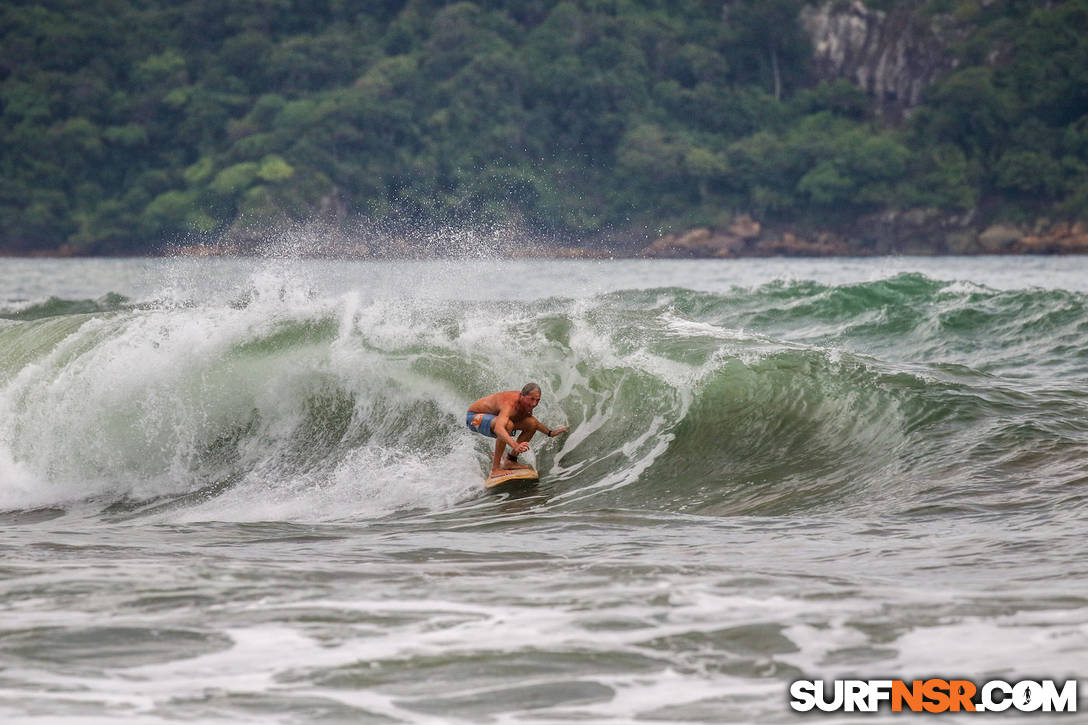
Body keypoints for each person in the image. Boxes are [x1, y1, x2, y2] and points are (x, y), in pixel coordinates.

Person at [466, 382, 569, 478]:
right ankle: (495, 469)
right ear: (522, 396)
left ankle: (510, 460)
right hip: (474, 418)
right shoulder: (510, 405)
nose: (534, 404)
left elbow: (534, 423)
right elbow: (499, 428)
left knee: (531, 425)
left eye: (537, 400)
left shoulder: (525, 404)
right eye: (531, 399)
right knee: (508, 425)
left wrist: (550, 433)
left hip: (493, 418)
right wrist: (516, 445)